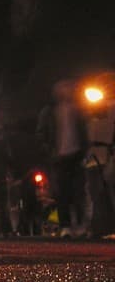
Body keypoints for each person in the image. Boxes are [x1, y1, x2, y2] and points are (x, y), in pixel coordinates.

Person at [36, 79, 89, 237]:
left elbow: (84, 131)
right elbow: (41, 132)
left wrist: (84, 150)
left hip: (76, 155)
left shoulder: (78, 110)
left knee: (78, 191)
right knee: (62, 193)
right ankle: (65, 225)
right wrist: (47, 148)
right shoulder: (49, 112)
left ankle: (80, 225)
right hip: (59, 156)